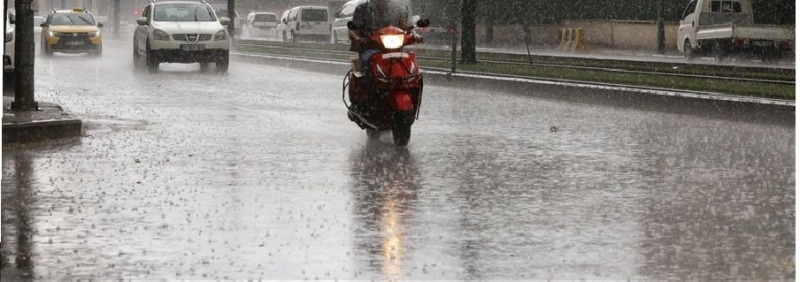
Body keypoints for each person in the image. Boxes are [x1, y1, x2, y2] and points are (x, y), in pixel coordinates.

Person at [348, 0, 421, 85]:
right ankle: (370, 91)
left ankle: (411, 87)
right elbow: (353, 29)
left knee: (410, 62)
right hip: (370, 47)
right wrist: (358, 38)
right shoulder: (362, 9)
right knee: (369, 61)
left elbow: (406, 26)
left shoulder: (396, 9)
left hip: (396, 49)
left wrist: (415, 35)